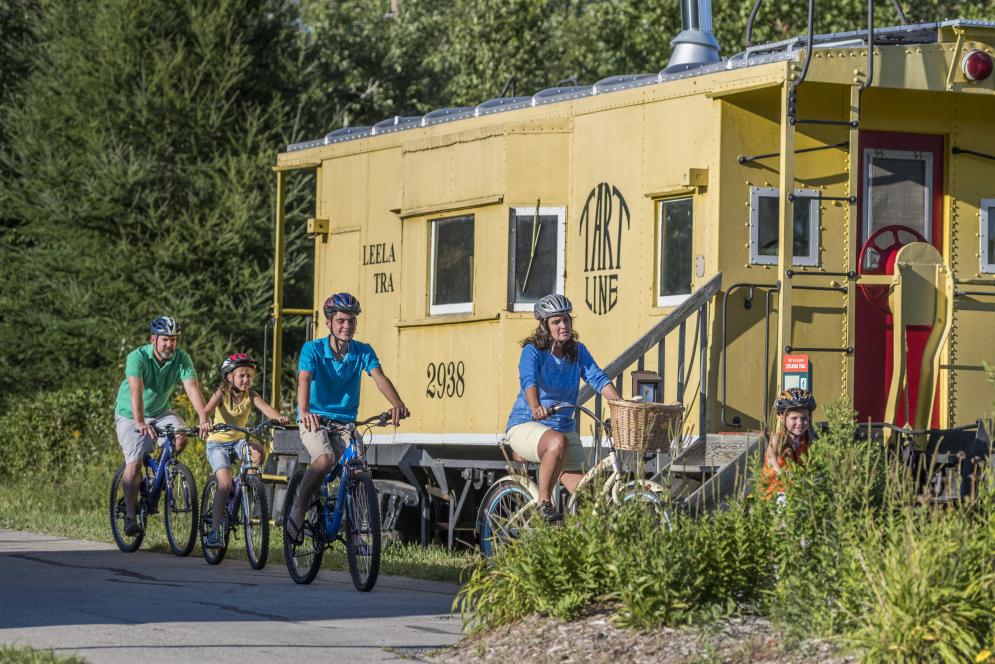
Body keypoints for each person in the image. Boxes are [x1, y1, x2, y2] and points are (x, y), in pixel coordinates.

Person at [286, 292, 409, 544]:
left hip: (345, 422)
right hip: (315, 419)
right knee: (324, 460)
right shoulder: (313, 349)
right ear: (329, 323)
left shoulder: (362, 351)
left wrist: (397, 404)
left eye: (351, 321)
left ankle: (357, 532)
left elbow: (379, 377)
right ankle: (298, 509)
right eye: (341, 321)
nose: (346, 326)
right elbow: (304, 379)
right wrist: (305, 410)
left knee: (359, 469)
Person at [505, 293, 621, 523]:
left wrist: (619, 404)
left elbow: (597, 377)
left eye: (566, 319)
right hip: (527, 424)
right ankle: (543, 502)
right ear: (545, 326)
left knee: (588, 493)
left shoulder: (577, 351)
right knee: (557, 441)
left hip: (563, 429)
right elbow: (529, 380)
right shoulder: (533, 351)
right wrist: (536, 406)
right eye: (556, 321)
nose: (563, 325)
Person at [113, 316, 211, 536]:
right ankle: (130, 516)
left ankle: (159, 472)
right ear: (154, 339)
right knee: (135, 463)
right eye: (165, 339)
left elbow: (192, 389)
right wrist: (139, 422)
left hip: (160, 412)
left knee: (182, 435)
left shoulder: (182, 358)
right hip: (130, 414)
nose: (170, 344)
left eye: (173, 340)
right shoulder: (137, 357)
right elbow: (135, 390)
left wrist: (203, 418)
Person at [202, 352, 289, 548]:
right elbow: (206, 411)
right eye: (242, 375)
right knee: (223, 484)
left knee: (259, 450)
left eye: (249, 375)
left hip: (239, 441)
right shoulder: (221, 393)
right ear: (229, 376)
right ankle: (215, 532)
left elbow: (267, 409)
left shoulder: (251, 395)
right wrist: (204, 422)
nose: (246, 379)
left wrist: (280, 418)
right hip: (217, 443)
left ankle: (242, 483)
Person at [761, 387, 817, 500]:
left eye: (804, 418)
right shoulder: (778, 438)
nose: (800, 422)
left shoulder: (810, 440)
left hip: (799, 495)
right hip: (774, 495)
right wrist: (781, 472)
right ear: (781, 417)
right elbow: (771, 455)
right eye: (794, 418)